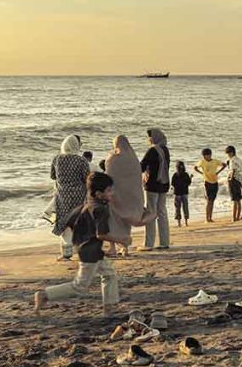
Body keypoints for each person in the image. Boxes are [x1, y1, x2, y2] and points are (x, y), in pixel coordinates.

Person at [34, 172, 120, 317]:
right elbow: (101, 234)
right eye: (109, 190)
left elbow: (72, 220)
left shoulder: (90, 201)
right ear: (99, 194)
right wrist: (122, 240)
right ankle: (44, 295)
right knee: (79, 287)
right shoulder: (100, 209)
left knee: (110, 275)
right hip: (89, 252)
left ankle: (108, 309)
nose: (113, 193)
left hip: (90, 249)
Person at [104, 135, 153, 257]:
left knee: (113, 221)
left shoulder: (113, 158)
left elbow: (108, 174)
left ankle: (112, 248)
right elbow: (137, 178)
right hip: (131, 196)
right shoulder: (134, 159)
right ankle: (125, 248)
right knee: (126, 221)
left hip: (115, 195)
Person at [50, 135, 90, 261]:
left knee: (64, 223)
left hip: (62, 195)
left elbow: (52, 176)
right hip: (79, 194)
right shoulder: (81, 160)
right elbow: (87, 178)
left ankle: (66, 253)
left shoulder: (57, 159)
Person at [140, 128, 171, 251]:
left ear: (154, 138)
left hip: (152, 185)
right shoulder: (165, 149)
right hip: (164, 184)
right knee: (162, 213)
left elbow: (141, 166)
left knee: (151, 213)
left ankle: (149, 243)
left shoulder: (153, 150)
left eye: (149, 137)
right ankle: (164, 242)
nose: (148, 139)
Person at [193, 148, 226, 223]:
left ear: (210, 155)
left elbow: (224, 165)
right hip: (207, 182)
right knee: (208, 201)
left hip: (215, 182)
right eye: (205, 156)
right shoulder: (202, 162)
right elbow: (195, 167)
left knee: (212, 200)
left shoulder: (215, 161)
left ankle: (210, 217)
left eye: (208, 155)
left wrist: (218, 172)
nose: (206, 157)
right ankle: (207, 218)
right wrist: (202, 173)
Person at [172, 161, 192, 226]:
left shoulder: (175, 174)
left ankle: (179, 223)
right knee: (185, 207)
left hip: (177, 193)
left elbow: (173, 184)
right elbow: (188, 183)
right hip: (184, 192)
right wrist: (190, 178)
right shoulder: (185, 174)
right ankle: (186, 222)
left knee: (177, 208)